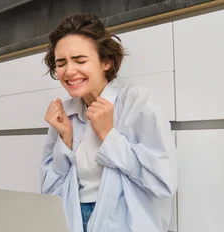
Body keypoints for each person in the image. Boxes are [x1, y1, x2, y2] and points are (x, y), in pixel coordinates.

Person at [40, 13, 178, 232]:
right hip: (71, 222)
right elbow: (49, 191)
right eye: (61, 63)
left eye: (80, 60)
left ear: (106, 61)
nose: (69, 71)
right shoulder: (65, 114)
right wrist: (65, 142)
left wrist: (108, 136)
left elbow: (162, 183)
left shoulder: (136, 102)